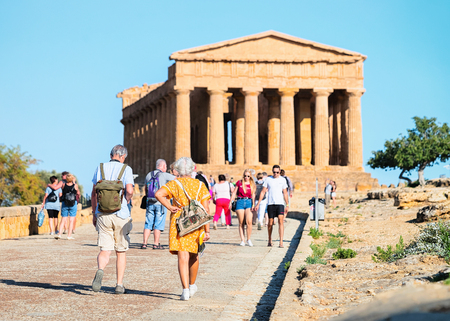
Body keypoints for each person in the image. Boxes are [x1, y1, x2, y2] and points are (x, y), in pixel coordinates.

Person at [155, 157, 211, 301]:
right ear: (193, 169)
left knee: (182, 255)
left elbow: (158, 194)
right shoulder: (200, 185)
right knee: (194, 254)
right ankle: (192, 285)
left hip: (179, 222)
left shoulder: (174, 184)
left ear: (178, 170)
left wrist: (170, 207)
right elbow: (206, 209)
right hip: (196, 222)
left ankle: (185, 290)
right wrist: (207, 230)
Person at [91, 144, 134, 294]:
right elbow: (129, 190)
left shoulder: (100, 167)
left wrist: (94, 213)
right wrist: (126, 201)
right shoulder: (126, 169)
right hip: (120, 213)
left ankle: (100, 270)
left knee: (105, 250)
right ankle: (119, 285)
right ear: (123, 157)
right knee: (120, 251)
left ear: (111, 156)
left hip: (102, 213)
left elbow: (93, 193)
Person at [141, 159, 175, 250]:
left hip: (149, 202)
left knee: (148, 223)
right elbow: (176, 179)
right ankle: (156, 244)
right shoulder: (164, 175)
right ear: (163, 166)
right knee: (158, 224)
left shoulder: (149, 174)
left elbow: (145, 188)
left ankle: (144, 243)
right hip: (160, 202)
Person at [255, 165, 289, 248]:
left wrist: (287, 204)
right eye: (274, 172)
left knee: (281, 221)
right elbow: (263, 192)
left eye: (277, 172)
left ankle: (281, 242)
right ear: (272, 171)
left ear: (280, 171)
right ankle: (270, 239)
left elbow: (285, 192)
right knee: (270, 223)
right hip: (270, 204)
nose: (275, 174)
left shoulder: (283, 180)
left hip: (280, 203)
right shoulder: (268, 179)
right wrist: (258, 203)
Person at [229, 169, 256, 247]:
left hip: (249, 202)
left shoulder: (252, 184)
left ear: (250, 176)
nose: (246, 177)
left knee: (249, 222)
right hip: (240, 202)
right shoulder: (239, 182)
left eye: (248, 176)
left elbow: (253, 195)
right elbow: (234, 192)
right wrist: (231, 201)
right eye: (245, 176)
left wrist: (254, 204)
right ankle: (242, 240)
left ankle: (249, 239)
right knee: (241, 222)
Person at [54, 173, 80, 240]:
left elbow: (63, 191)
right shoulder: (75, 185)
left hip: (65, 203)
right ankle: (69, 236)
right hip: (73, 203)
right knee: (71, 220)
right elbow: (77, 192)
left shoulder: (63, 185)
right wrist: (74, 182)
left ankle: (59, 234)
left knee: (63, 219)